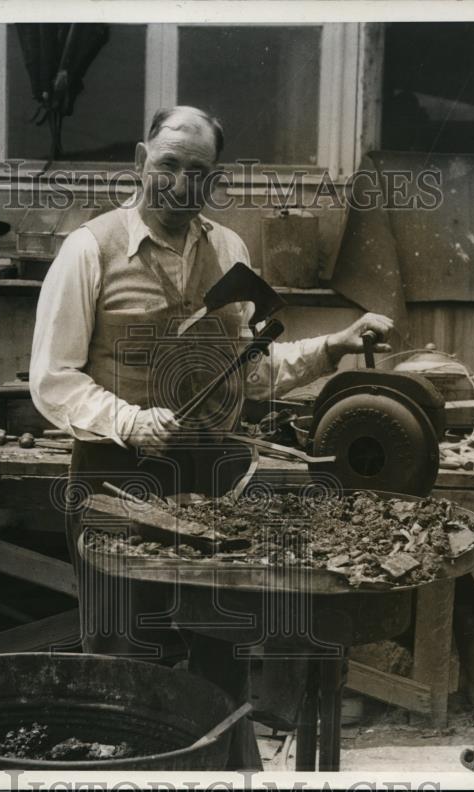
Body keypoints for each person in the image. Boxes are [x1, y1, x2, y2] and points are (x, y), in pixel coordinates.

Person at [30, 106, 393, 768]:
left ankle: (221, 772)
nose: (178, 182)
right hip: (118, 479)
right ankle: (121, 774)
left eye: (197, 171)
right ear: (141, 160)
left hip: (211, 482)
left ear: (213, 179)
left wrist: (336, 346)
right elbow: (52, 381)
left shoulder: (230, 252)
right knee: (119, 649)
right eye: (167, 164)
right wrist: (132, 422)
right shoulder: (89, 249)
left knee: (220, 646)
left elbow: (252, 375)